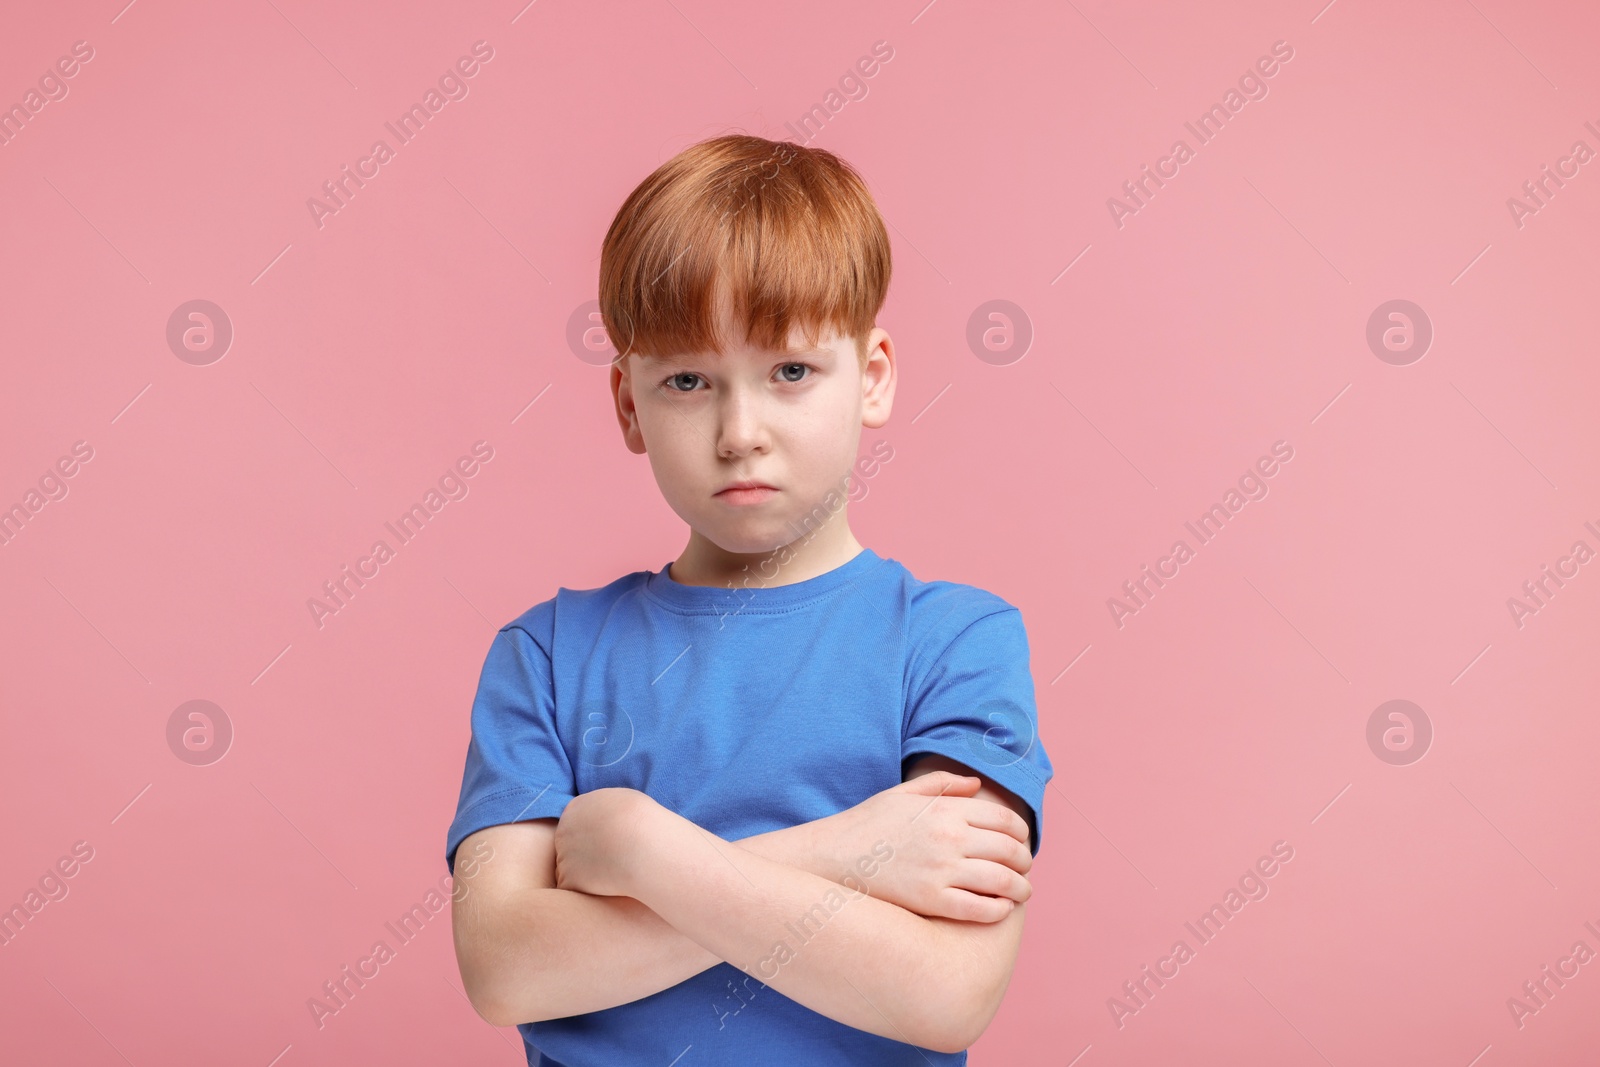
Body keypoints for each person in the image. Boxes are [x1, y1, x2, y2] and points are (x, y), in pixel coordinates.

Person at [444, 133, 1054, 1066]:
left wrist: (645, 852)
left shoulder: (956, 642)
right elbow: (505, 968)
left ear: (874, 376)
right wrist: (852, 848)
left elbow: (945, 993)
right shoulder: (548, 654)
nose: (740, 433)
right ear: (627, 406)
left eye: (791, 372)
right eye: (688, 380)